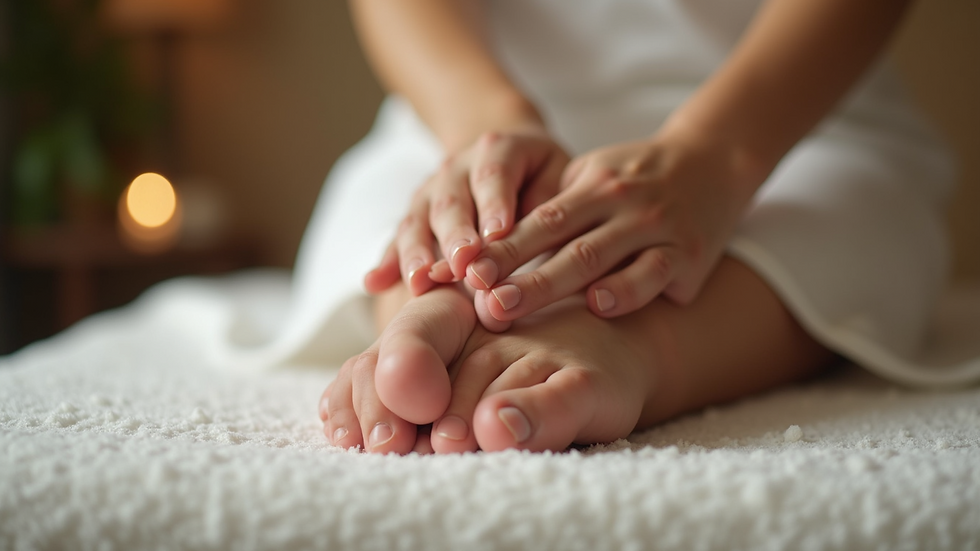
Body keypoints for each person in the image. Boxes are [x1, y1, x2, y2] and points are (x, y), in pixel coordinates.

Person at [308, 0, 962, 454]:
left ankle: (638, 344)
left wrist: (719, 153)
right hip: (476, 105)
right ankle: (443, 302)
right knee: (398, 196)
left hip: (782, 117)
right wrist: (485, 124)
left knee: (854, 213)